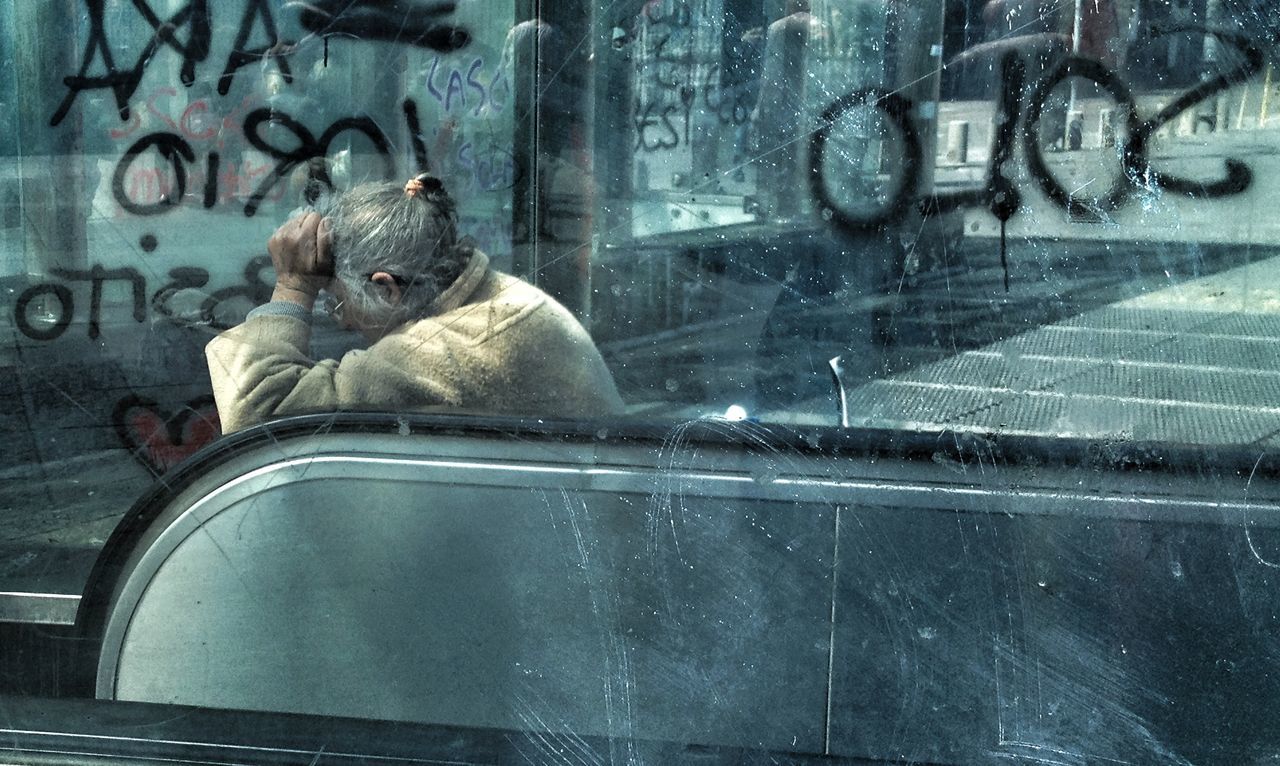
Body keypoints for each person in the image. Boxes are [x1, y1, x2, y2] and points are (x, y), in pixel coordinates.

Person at [206, 174, 624, 433]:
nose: (346, 322)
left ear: (387, 289)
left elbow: (262, 416)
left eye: (339, 303)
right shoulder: (490, 296)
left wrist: (293, 287)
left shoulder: (454, 347)